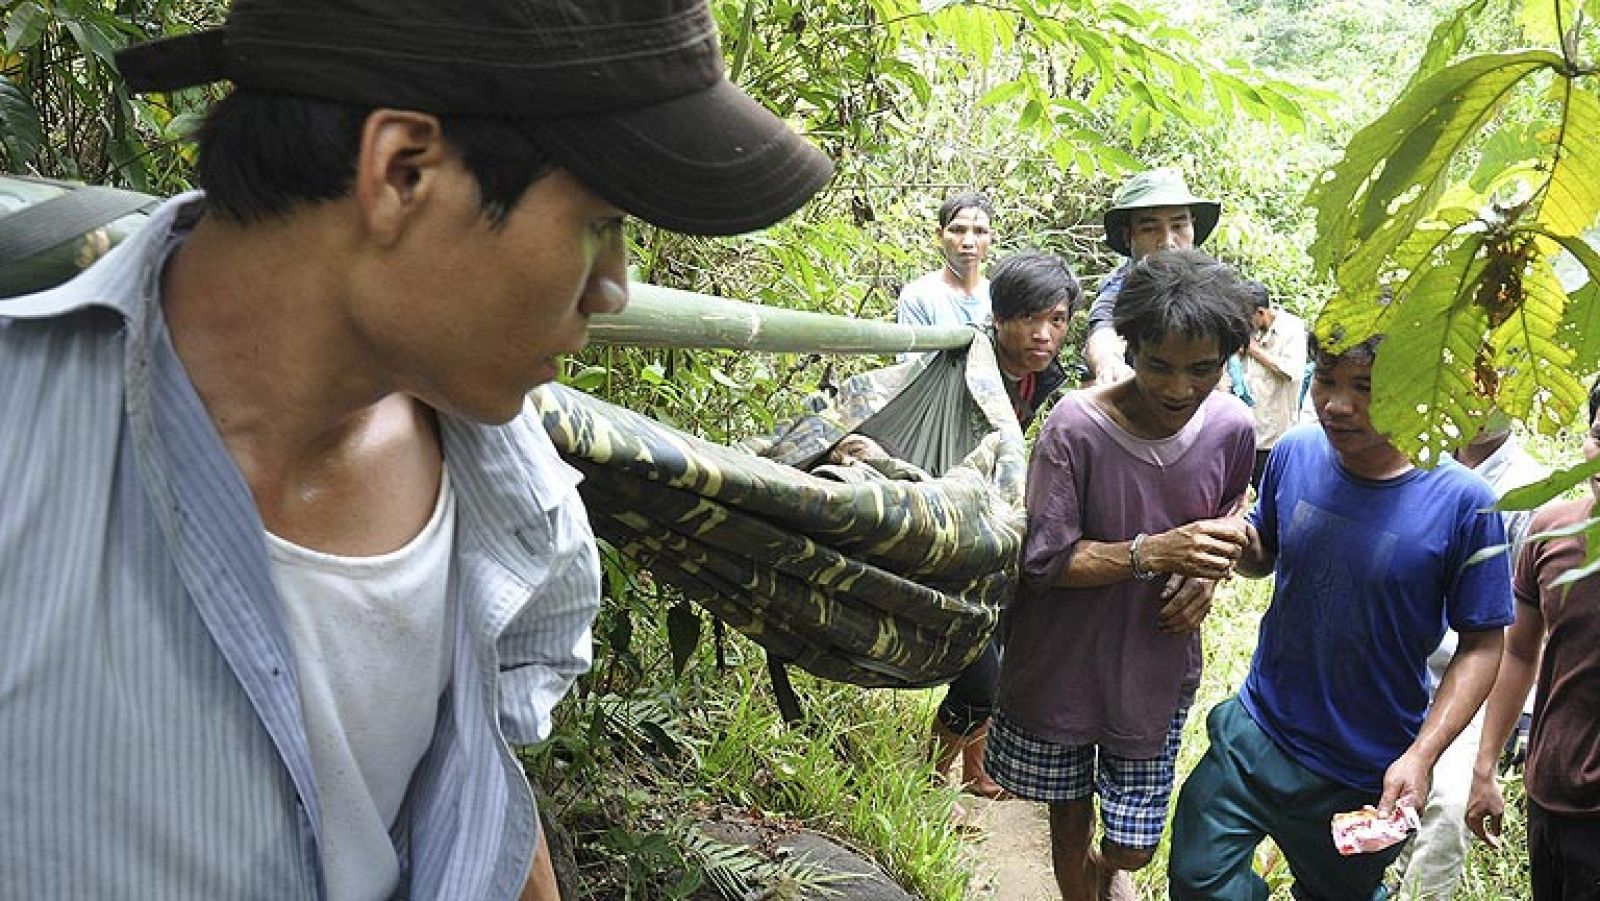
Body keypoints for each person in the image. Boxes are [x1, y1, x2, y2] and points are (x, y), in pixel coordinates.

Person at [0, 2, 831, 899]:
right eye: (598, 221)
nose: (615, 287)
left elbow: (482, 810)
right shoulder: (25, 449)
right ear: (401, 171)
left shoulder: (515, 492)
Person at [1168, 334, 1513, 901]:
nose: (1336, 404)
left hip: (1366, 766)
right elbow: (1266, 551)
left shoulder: (1465, 502)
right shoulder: (1295, 451)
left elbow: (1482, 643)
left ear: (1411, 391)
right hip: (1259, 729)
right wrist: (1231, 541)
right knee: (1198, 877)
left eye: (1366, 388)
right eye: (1327, 379)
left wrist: (1422, 756)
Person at [986, 249, 1256, 901]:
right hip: (1063, 658)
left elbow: (1229, 509)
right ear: (1129, 347)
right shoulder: (1075, 426)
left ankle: (1111, 874)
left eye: (1203, 369)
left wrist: (1208, 572)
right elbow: (1043, 561)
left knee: (1133, 841)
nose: (1178, 388)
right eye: (1160, 365)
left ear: (1227, 362)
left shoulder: (1232, 427)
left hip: (1153, 665)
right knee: (1068, 808)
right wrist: (1152, 552)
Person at [929, 249, 1080, 798]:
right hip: (953, 525)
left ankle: (974, 770)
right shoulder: (966, 366)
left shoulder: (1034, 378)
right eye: (1029, 319)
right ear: (998, 317)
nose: (1043, 334)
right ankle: (931, 777)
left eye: (1056, 320)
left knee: (1000, 646)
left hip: (998, 532)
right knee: (979, 672)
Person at [1391, 412, 1547, 899]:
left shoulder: (1531, 487)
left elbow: (1525, 629)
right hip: (1403, 665)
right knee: (1387, 800)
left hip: (1477, 677)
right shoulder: (1415, 462)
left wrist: (1501, 737)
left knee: (1448, 810)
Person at [1467, 377, 1600, 901]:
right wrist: (1485, 768)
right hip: (1548, 792)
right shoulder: (1551, 534)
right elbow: (1519, 651)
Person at [1082, 168, 1221, 386]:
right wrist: (1108, 364)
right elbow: (1104, 331)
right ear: (1128, 237)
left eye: (1178, 226)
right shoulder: (1121, 286)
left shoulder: (1213, 282)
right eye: (1150, 228)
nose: (1167, 241)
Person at [896, 191, 996, 351]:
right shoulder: (918, 296)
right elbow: (912, 366)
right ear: (939, 235)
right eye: (958, 230)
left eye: (979, 231)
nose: (968, 242)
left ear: (991, 237)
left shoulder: (999, 297)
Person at [1239, 281, 1307, 491]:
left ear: (1261, 312)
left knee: (1271, 492)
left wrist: (1254, 351)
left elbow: (1291, 372)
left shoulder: (1292, 329)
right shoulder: (1251, 333)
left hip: (1276, 435)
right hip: (1250, 431)